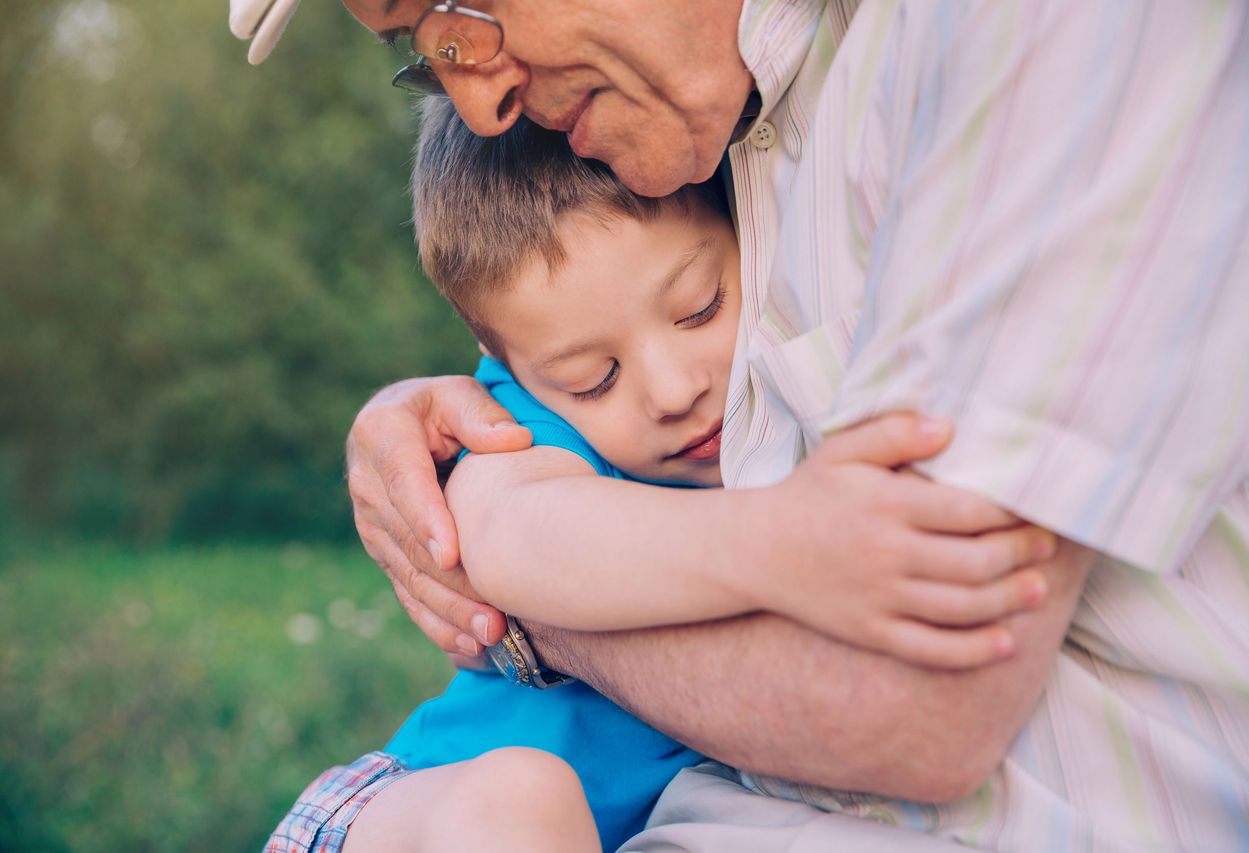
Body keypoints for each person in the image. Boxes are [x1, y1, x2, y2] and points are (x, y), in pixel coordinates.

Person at [236, 0, 1249, 848]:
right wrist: (782, 543)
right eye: (424, 55)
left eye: (463, 13)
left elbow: (917, 707)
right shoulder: (704, 124)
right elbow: (505, 509)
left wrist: (524, 619)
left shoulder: (1006, 48)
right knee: (511, 807)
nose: (481, 97)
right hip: (435, 804)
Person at [267, 98, 1053, 853]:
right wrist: (786, 538)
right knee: (523, 799)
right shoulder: (527, 428)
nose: (674, 390)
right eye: (592, 378)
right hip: (409, 814)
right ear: (511, 371)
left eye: (699, 308)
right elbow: (513, 535)